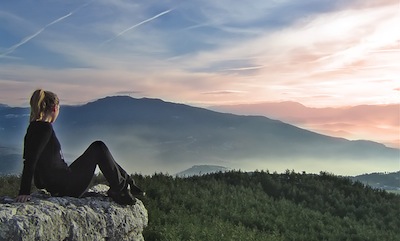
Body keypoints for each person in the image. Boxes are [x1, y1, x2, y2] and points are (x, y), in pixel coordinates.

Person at [15, 89, 143, 205]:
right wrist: (24, 191)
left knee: (98, 148)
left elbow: (30, 158)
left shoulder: (34, 127)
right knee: (98, 147)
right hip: (65, 186)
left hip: (61, 183)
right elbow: (31, 159)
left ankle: (127, 181)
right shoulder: (44, 128)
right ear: (55, 108)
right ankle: (121, 189)